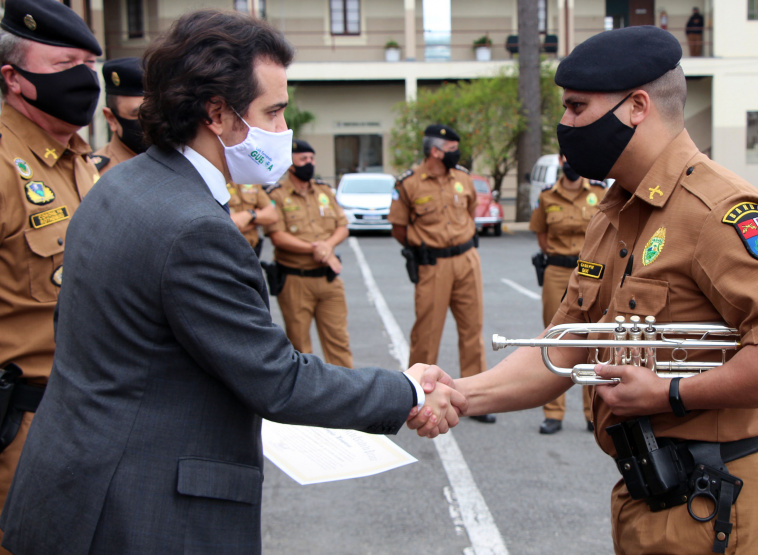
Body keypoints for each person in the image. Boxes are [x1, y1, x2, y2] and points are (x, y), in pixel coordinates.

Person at [0, 10, 464, 554]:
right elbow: (276, 379)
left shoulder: (120, 183)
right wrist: (406, 388)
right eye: (273, 112)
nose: (283, 131)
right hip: (138, 512)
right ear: (216, 114)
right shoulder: (194, 226)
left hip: (70, 487)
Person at [446, 26, 758, 554]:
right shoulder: (613, 213)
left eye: (576, 107)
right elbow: (565, 346)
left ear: (636, 106)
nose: (564, 125)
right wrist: (457, 394)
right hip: (653, 497)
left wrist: (670, 394)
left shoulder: (717, 211)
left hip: (726, 506)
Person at [0, 0, 102, 534]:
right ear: (14, 78)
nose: (85, 78)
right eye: (65, 65)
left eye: (89, 64)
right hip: (18, 429)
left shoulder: (83, 163)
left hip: (84, 422)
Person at [389, 124, 495, 424]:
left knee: (472, 330)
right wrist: (420, 246)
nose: (456, 154)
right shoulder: (409, 184)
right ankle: (417, 397)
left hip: (466, 260)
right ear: (435, 151)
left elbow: (471, 212)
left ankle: (476, 400)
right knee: (427, 332)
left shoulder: (462, 178)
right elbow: (399, 227)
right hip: (433, 265)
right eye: (451, 150)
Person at [529, 152, 603, 435]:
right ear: (560, 161)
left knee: (596, 338)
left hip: (593, 273)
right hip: (557, 271)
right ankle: (553, 412)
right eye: (567, 159)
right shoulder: (547, 196)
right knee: (554, 337)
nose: (572, 164)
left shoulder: (599, 191)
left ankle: (592, 412)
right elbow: (542, 235)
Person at [265, 139, 354, 368]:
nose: (309, 163)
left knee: (339, 344)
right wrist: (315, 248)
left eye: (312, 159)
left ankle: (347, 399)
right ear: (290, 163)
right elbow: (277, 236)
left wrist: (327, 245)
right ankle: (310, 401)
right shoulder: (277, 194)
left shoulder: (324, 191)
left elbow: (343, 227)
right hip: (296, 280)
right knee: (300, 347)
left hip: (328, 279)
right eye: (304, 159)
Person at [92, 56, 146, 174]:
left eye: (157, 111)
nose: (152, 120)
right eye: (138, 114)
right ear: (111, 119)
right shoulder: (94, 174)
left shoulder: (181, 160)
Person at [228, 179, 277, 256]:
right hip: (228, 252)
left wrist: (249, 215)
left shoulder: (250, 181)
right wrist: (258, 220)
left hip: (252, 250)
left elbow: (272, 215)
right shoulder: (215, 182)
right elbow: (226, 225)